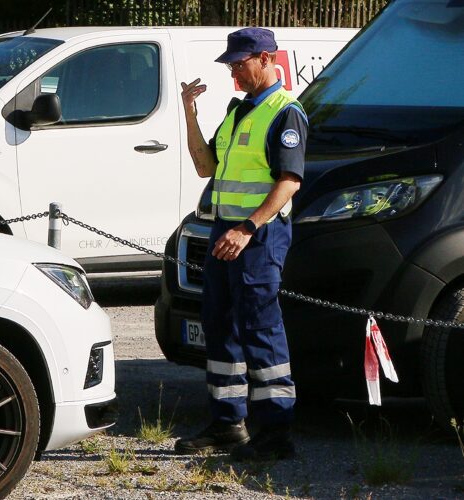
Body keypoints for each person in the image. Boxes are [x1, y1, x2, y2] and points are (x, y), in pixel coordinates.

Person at [173, 27, 307, 461]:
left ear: (268, 59)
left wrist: (248, 227)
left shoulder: (285, 111)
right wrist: (189, 114)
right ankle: (228, 424)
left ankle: (275, 433)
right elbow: (203, 166)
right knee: (220, 326)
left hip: (258, 235)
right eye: (230, 63)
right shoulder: (237, 112)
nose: (234, 70)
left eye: (240, 62)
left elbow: (289, 182)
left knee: (260, 330)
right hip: (223, 232)